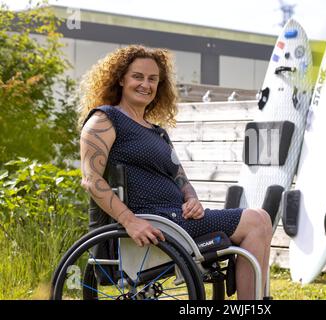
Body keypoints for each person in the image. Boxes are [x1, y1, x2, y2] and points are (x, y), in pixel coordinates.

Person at [78, 45, 272, 300]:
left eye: (153, 79)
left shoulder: (156, 132)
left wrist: (192, 199)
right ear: (121, 78)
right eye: (138, 76)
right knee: (256, 220)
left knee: (260, 219)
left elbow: (182, 180)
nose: (145, 84)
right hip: (155, 221)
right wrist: (130, 221)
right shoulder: (105, 120)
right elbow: (91, 180)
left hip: (179, 219)